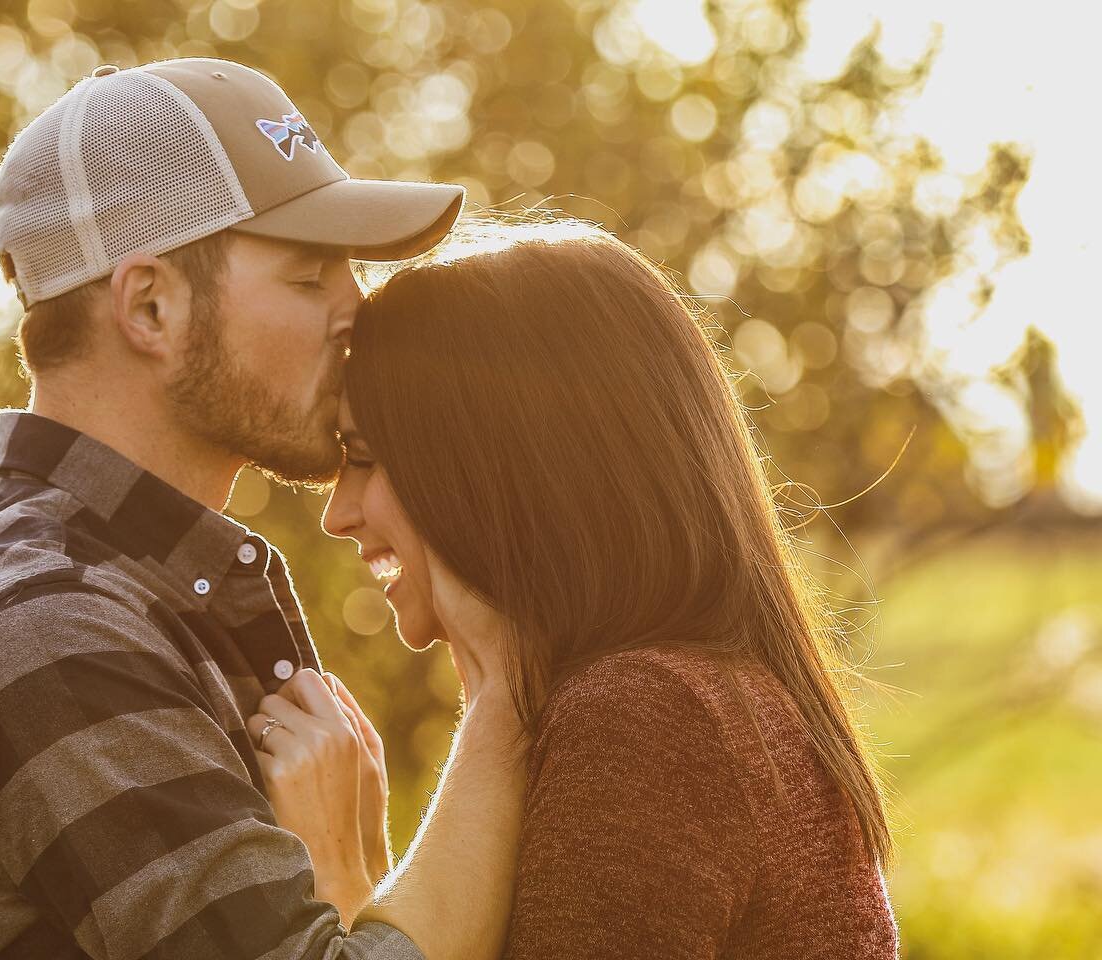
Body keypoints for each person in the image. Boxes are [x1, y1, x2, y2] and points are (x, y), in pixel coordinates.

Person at [0, 58, 527, 960]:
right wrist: (509, 692)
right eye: (309, 274)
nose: (354, 308)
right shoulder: (47, 625)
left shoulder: (133, 595)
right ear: (152, 305)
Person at [258, 215, 901, 959]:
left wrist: (336, 889)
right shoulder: (698, 698)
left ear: (499, 467)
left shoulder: (647, 717)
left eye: (366, 456)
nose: (338, 513)